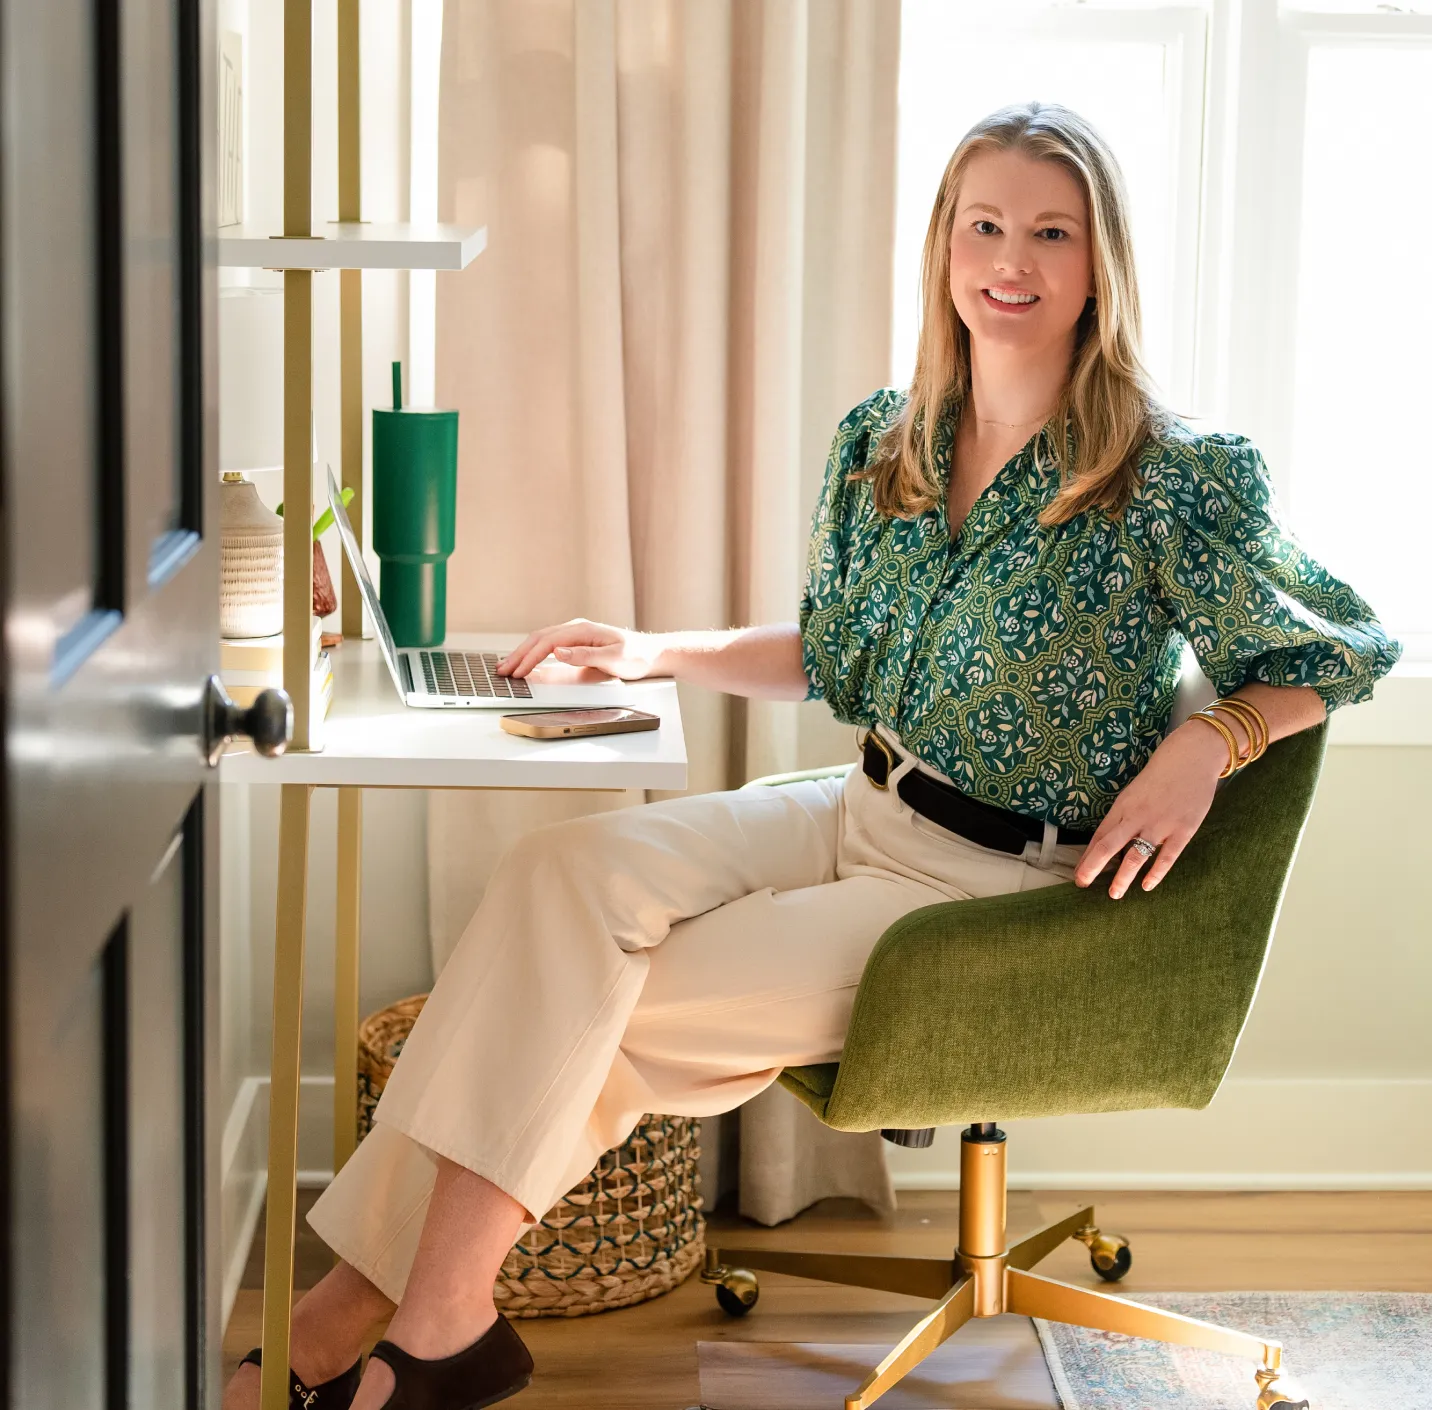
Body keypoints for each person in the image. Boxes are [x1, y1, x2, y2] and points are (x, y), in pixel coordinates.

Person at [224, 101, 1399, 1410]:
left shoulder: (1167, 475)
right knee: (559, 878)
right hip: (859, 804)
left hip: (989, 886)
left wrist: (1212, 734)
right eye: (985, 225)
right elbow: (828, 655)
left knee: (581, 1013)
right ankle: (415, 1320)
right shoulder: (886, 442)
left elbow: (1341, 645)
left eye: (1049, 232)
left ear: (1098, 261)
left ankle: (402, 1319)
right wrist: (652, 647)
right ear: (945, 248)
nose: (1011, 259)